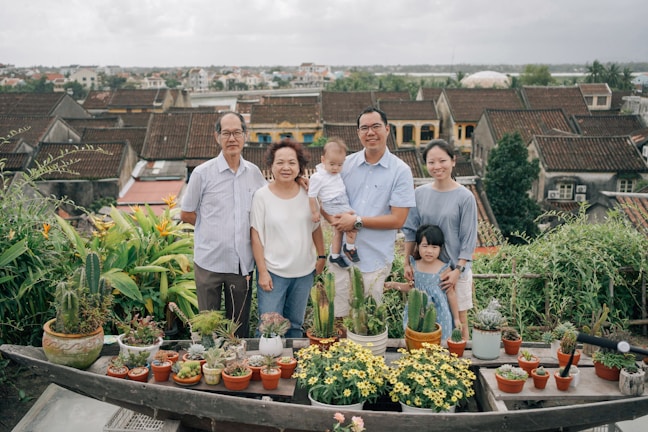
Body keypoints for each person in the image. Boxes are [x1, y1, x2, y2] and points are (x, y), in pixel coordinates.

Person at [180, 112, 266, 339]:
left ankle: (236, 371)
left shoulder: (254, 173)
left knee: (238, 328)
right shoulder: (202, 173)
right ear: (217, 137)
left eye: (237, 132)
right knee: (207, 326)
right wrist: (212, 228)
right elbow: (186, 213)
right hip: (209, 262)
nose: (232, 138)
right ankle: (210, 368)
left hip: (241, 264)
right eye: (226, 133)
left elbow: (267, 205)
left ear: (245, 136)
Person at [326, 107, 415, 318]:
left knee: (368, 322)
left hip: (374, 260)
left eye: (376, 126)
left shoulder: (400, 171)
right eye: (364, 128)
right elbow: (327, 196)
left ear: (387, 129)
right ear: (358, 133)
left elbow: (398, 219)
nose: (370, 132)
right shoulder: (346, 165)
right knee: (339, 319)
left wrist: (356, 221)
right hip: (341, 259)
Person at [402, 139, 478, 340]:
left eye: (442, 161)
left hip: (454, 272)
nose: (437, 167)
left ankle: (463, 367)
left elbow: (468, 239)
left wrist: (458, 271)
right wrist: (406, 263)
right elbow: (410, 232)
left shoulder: (465, 197)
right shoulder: (419, 194)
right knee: (423, 324)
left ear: (453, 161)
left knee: (459, 323)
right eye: (431, 162)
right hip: (426, 272)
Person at [250, 138, 326, 338]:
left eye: (292, 162)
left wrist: (321, 256)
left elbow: (315, 227)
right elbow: (255, 236)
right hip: (273, 273)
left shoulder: (309, 194)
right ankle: (267, 367)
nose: (286, 167)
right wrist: (263, 272)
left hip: (303, 273)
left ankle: (292, 368)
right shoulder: (261, 196)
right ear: (271, 166)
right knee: (268, 328)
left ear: (300, 166)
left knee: (294, 326)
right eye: (280, 162)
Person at [384, 224, 460, 342]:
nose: (429, 251)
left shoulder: (445, 269)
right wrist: (394, 285)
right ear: (418, 246)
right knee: (416, 339)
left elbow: (451, 294)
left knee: (440, 342)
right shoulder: (414, 266)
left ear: (440, 248)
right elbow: (412, 289)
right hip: (417, 312)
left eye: (434, 247)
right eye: (425, 246)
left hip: (440, 314)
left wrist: (456, 318)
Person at [308, 138, 359, 268]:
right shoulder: (318, 177)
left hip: (341, 200)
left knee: (338, 231)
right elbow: (312, 195)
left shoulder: (335, 173)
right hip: (333, 203)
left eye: (339, 165)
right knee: (353, 225)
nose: (336, 168)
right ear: (323, 160)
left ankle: (335, 255)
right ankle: (349, 247)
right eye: (332, 164)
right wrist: (314, 212)